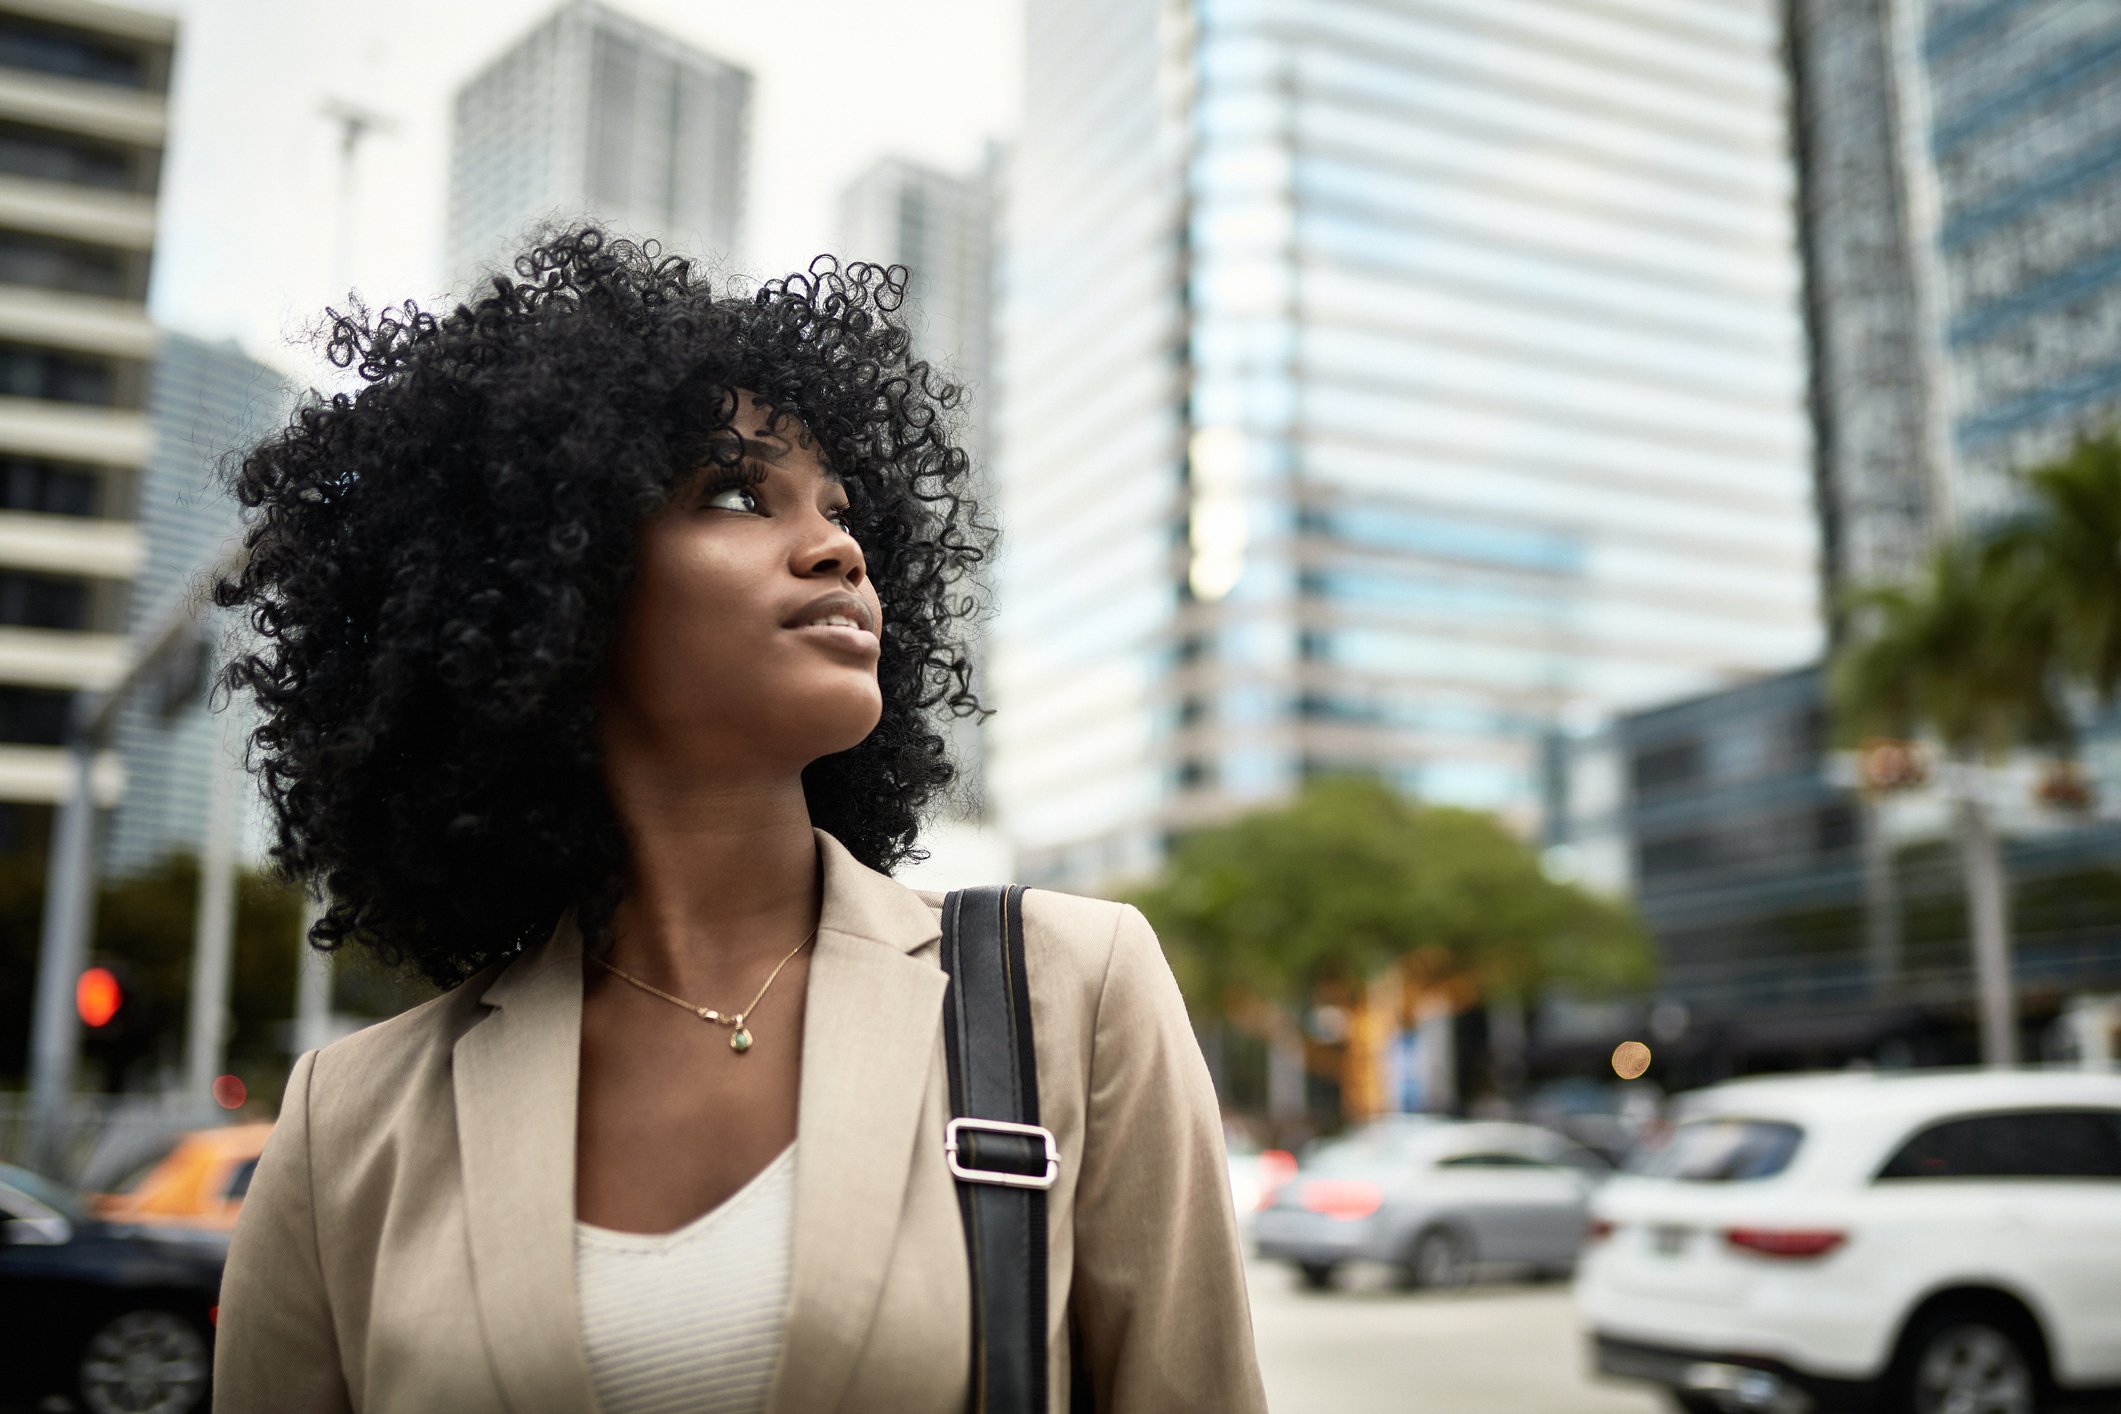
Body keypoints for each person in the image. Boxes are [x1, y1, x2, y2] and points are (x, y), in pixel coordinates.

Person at [210, 228, 1266, 1414]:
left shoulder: (1066, 992)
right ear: (547, 581)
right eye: (734, 492)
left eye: (839, 504)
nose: (838, 547)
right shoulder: (347, 1125)